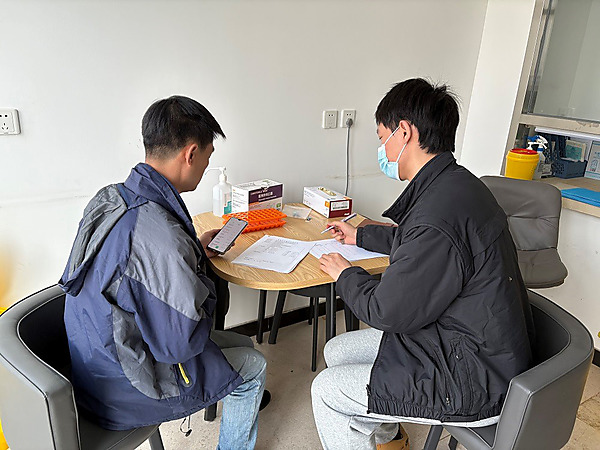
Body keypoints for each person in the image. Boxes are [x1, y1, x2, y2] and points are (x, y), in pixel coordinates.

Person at [312, 78, 533, 450]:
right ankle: (390, 439)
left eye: (382, 138)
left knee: (326, 390)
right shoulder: (458, 185)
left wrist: (346, 274)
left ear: (404, 132)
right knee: (337, 351)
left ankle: (379, 428)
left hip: (473, 378)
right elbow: (424, 245)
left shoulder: (436, 214)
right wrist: (360, 236)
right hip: (473, 343)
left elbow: (386, 311)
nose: (382, 150)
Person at [59, 96, 268, 449]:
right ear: (190, 154)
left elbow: (133, 265)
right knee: (254, 365)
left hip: (95, 361)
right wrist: (190, 270)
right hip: (127, 385)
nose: (205, 166)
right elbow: (179, 345)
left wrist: (192, 250)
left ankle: (233, 390)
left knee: (242, 344)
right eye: (208, 157)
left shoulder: (112, 199)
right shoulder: (164, 240)